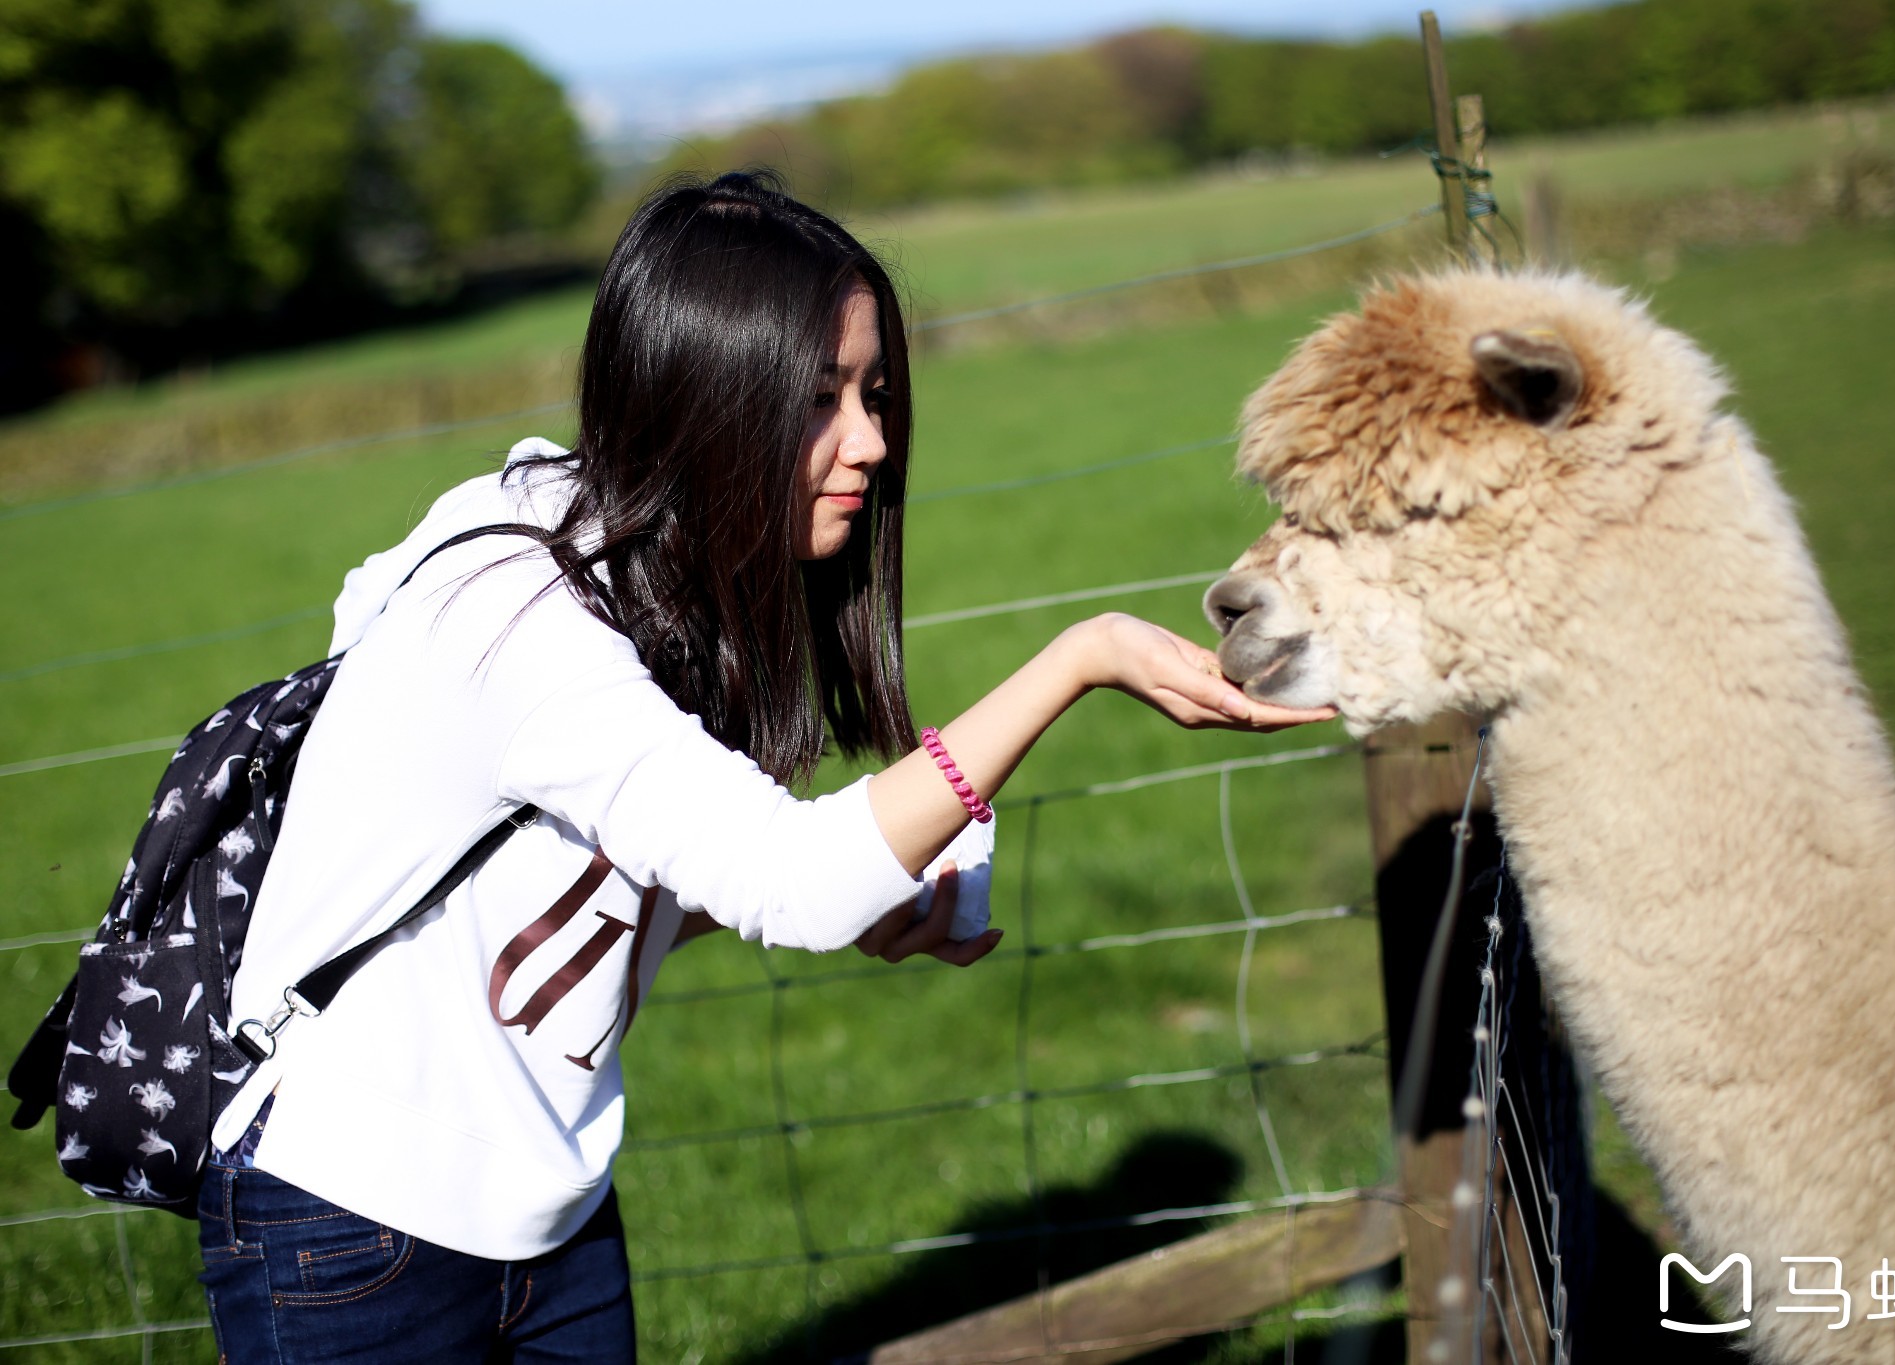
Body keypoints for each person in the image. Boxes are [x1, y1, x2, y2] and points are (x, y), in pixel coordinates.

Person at [195, 171, 1331, 1362]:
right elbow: (791, 881)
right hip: (354, 1226)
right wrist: (1078, 659)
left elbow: (608, 893)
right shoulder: (519, 615)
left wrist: (883, 895)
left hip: (554, 1205)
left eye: (874, 393)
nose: (874, 442)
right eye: (822, 399)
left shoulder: (644, 566)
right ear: (705, 393)